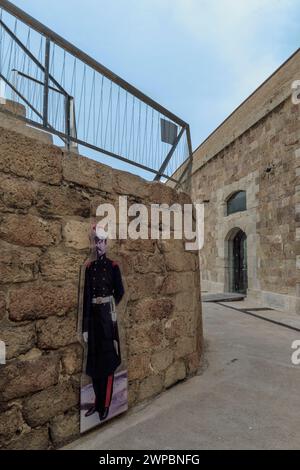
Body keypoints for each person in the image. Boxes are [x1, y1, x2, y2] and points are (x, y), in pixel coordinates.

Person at [82, 226, 124, 421]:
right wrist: (84, 328)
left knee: (107, 364)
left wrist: (110, 307)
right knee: (95, 364)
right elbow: (87, 298)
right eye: (96, 241)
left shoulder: (113, 266)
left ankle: (105, 405)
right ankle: (98, 403)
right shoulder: (89, 268)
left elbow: (120, 292)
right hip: (93, 322)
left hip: (107, 320)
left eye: (102, 241)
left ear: (106, 243)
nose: (99, 245)